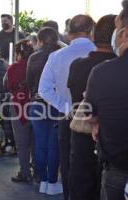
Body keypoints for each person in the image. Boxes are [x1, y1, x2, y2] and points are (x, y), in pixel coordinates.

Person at [38, 15, 96, 200]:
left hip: (67, 117)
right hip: (96, 120)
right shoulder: (103, 53)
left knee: (68, 165)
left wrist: (65, 107)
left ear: (69, 34)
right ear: (91, 31)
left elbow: (43, 89)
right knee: (94, 168)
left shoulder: (56, 56)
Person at [67, 15, 116, 200]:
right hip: (114, 140)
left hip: (82, 136)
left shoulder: (79, 66)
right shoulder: (117, 67)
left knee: (80, 187)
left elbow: (75, 98)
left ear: (93, 35)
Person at [85, 2, 128, 199]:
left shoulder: (102, 72)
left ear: (125, 34)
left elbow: (91, 116)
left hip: (118, 169)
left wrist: (96, 125)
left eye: (117, 28)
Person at [27, 27, 62, 195]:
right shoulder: (61, 55)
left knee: (40, 145)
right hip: (56, 104)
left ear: (39, 41)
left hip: (37, 104)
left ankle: (42, 181)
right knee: (53, 146)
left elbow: (29, 82)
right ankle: (53, 183)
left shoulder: (33, 57)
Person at [4, 40, 34, 183]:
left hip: (18, 105)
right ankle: (38, 171)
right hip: (36, 104)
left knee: (22, 142)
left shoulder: (13, 68)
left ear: (18, 53)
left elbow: (8, 86)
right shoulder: (38, 63)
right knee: (36, 140)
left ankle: (25, 172)